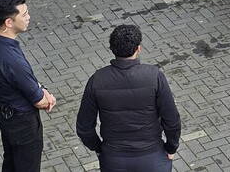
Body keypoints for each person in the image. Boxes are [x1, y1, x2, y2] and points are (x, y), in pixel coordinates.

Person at [76, 24, 181, 172]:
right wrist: (171, 147)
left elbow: (84, 127)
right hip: (153, 158)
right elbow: (172, 120)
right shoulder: (154, 76)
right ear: (138, 48)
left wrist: (99, 149)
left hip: (113, 159)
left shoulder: (97, 80)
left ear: (112, 49)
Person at [0, 0, 57, 172]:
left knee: (11, 163)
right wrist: (46, 95)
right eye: (24, 14)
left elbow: (23, 81)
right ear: (9, 22)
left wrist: (39, 87)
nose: (28, 17)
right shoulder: (11, 59)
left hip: (6, 116)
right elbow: (40, 101)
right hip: (23, 124)